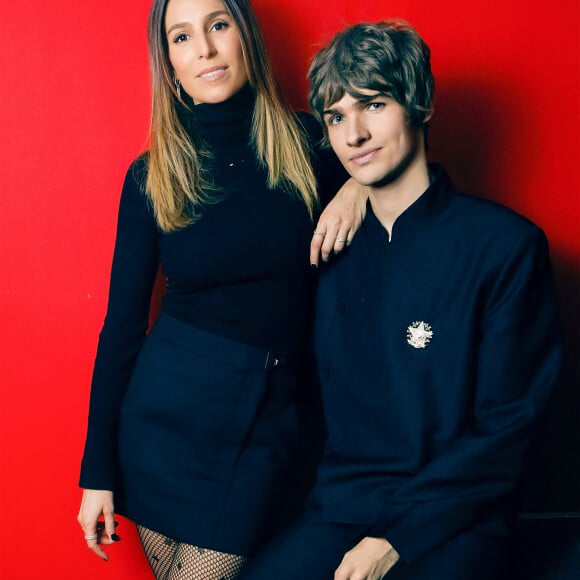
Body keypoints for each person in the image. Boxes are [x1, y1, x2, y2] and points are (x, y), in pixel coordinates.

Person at [240, 20, 563, 580]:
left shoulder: (506, 248)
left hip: (457, 520)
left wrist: (393, 539)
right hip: (340, 513)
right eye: (337, 116)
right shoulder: (326, 250)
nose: (354, 134)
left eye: (374, 105)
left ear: (419, 104)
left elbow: (508, 429)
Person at [76, 0, 365, 578]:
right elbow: (122, 328)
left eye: (217, 25)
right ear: (171, 65)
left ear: (245, 36)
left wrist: (358, 187)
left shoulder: (315, 145)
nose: (204, 49)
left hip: (270, 416)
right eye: (181, 38)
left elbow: (411, 183)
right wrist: (96, 473)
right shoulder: (151, 177)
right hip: (164, 418)